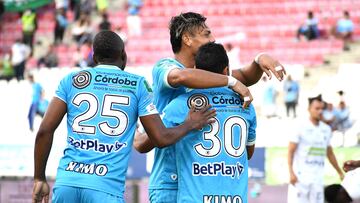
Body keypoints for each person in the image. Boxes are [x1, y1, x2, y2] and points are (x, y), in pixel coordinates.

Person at [32, 30, 215, 203]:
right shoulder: (136, 84)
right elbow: (160, 138)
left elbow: (45, 131)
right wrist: (190, 124)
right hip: (106, 188)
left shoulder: (71, 80)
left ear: (95, 58)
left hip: (67, 183)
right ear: (123, 55)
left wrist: (39, 177)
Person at [133, 12, 286, 203]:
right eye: (206, 34)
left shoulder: (208, 74)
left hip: (198, 178)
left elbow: (245, 76)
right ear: (187, 39)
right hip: (169, 178)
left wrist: (259, 59)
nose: (213, 39)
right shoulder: (166, 66)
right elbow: (180, 77)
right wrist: (231, 82)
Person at [165, 42, 257, 202]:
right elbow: (248, 153)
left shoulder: (179, 105)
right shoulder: (246, 105)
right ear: (226, 71)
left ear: (195, 70)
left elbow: (158, 139)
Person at [287, 94, 344, 203]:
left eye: (322, 109)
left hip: (318, 179)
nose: (320, 111)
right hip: (300, 179)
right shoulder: (300, 127)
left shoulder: (326, 129)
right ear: (309, 109)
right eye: (317, 108)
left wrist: (340, 172)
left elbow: (330, 153)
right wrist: (291, 173)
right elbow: (290, 152)